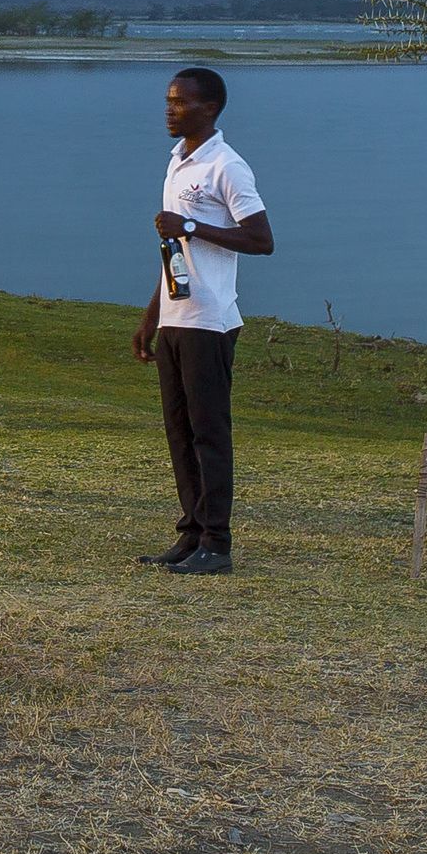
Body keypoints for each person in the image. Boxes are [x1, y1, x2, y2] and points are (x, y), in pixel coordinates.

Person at [132, 64, 271, 574]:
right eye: (169, 101)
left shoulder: (227, 167)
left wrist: (191, 222)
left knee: (209, 432)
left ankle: (218, 543)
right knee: (179, 430)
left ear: (209, 108)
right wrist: (152, 316)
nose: (170, 110)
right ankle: (191, 534)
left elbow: (261, 240)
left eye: (180, 102)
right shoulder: (177, 161)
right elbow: (176, 250)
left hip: (210, 322)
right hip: (176, 319)